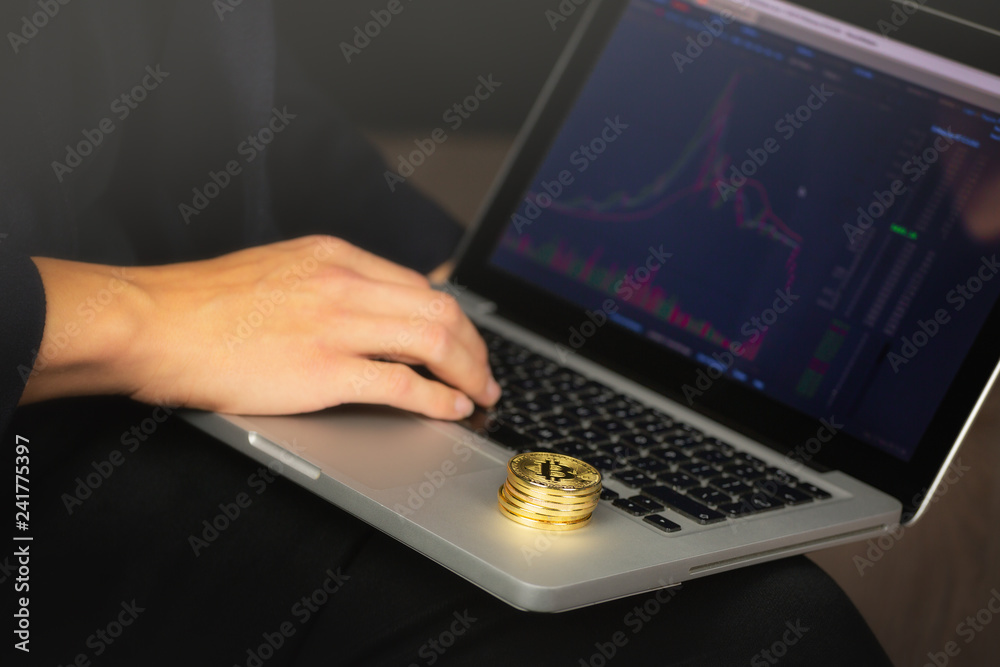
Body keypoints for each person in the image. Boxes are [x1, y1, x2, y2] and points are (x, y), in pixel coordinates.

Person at [2, 1, 891, 664]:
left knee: (768, 613)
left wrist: (451, 289)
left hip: (186, 411)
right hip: (47, 489)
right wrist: (145, 320)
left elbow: (241, 110)